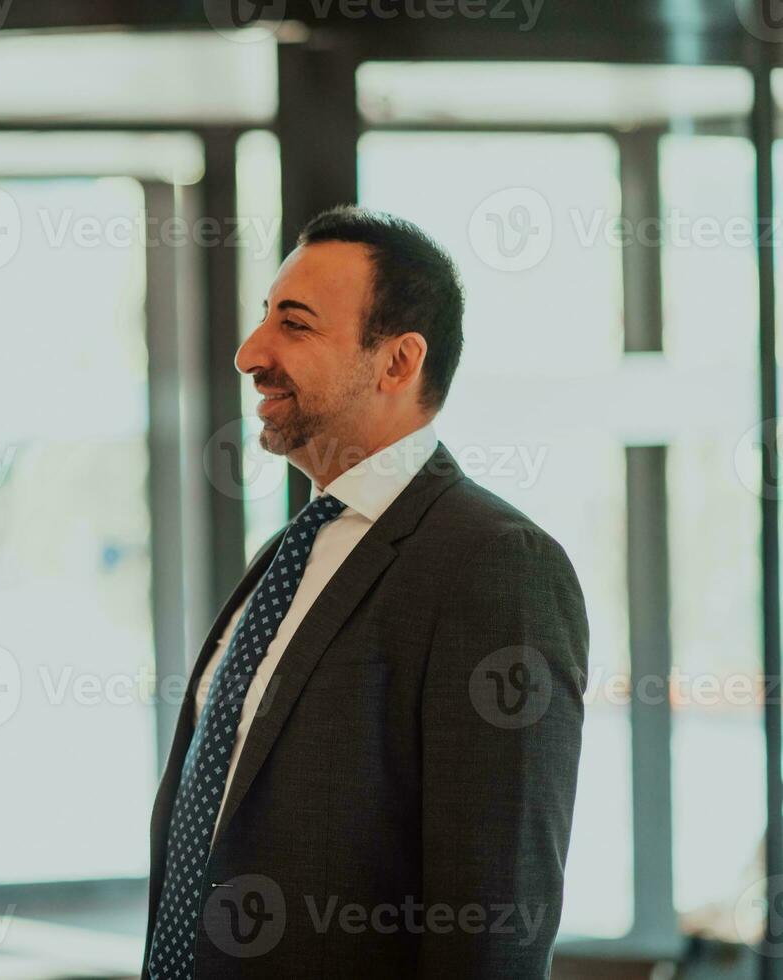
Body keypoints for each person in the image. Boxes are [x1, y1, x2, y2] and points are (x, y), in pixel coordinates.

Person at [143, 208, 588, 979]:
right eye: (263, 319)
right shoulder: (289, 552)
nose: (251, 353)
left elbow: (493, 922)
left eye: (296, 325)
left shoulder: (497, 563)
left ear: (396, 363)